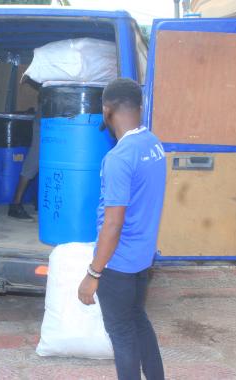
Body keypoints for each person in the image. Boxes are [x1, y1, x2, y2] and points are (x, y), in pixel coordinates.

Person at [78, 78, 166, 380]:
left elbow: (113, 223)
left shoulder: (118, 158)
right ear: (140, 108)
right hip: (143, 261)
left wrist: (93, 273)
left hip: (118, 265)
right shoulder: (154, 144)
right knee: (138, 321)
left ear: (107, 111)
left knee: (122, 334)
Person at [8, 81, 41, 220]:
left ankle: (39, 200)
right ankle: (15, 204)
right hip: (46, 119)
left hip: (59, 119)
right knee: (34, 161)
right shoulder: (55, 69)